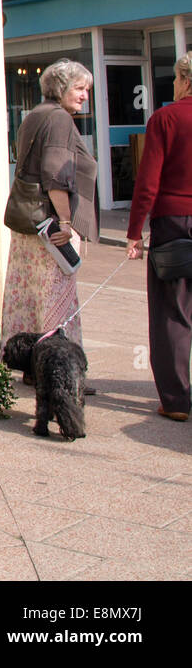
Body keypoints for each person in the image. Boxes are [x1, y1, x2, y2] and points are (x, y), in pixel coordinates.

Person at [3, 59, 98, 345]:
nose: (84, 95)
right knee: (57, 298)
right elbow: (56, 174)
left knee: (31, 296)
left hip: (30, 222)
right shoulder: (58, 119)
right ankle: (60, 365)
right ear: (61, 88)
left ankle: (33, 362)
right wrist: (67, 223)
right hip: (51, 227)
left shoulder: (35, 114)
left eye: (86, 89)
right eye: (79, 88)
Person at [126, 51, 192, 421]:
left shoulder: (165, 119)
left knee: (172, 313)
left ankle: (176, 401)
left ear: (184, 80)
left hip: (174, 224)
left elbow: (147, 182)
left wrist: (134, 232)